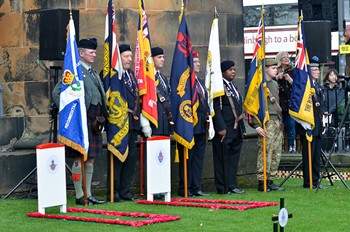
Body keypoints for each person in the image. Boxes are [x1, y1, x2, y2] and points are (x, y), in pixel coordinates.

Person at [52, 38, 107, 205]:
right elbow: (57, 93)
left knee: (90, 158)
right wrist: (71, 113)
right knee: (78, 157)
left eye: (95, 52)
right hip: (80, 120)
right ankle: (78, 196)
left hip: (95, 120)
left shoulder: (93, 72)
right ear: (81, 54)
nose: (94, 55)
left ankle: (88, 194)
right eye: (91, 52)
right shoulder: (74, 72)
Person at [177, 52, 213, 197]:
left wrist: (209, 119)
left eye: (198, 61)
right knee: (188, 158)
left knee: (198, 159)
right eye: (195, 61)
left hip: (201, 125)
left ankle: (196, 187)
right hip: (189, 125)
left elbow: (205, 102)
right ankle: (185, 187)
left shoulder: (200, 82)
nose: (198, 64)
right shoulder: (185, 83)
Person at [108, 44, 141, 201]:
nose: (129, 59)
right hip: (118, 122)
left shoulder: (131, 75)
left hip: (132, 122)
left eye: (130, 56)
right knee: (118, 156)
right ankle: (114, 191)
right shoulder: (113, 76)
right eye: (125, 56)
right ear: (118, 58)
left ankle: (125, 191)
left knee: (130, 158)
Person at [140, 46, 173, 199]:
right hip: (153, 122)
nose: (162, 60)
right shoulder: (148, 77)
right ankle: (152, 187)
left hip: (164, 122)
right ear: (152, 59)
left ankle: (161, 187)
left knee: (162, 157)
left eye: (163, 57)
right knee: (153, 158)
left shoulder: (163, 78)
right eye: (159, 57)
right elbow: (144, 101)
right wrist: (145, 123)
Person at [212, 60, 246, 194]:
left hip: (236, 129)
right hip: (225, 129)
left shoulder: (233, 86)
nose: (233, 71)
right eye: (230, 69)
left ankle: (232, 184)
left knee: (233, 159)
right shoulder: (219, 87)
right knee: (222, 158)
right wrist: (220, 127)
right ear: (223, 72)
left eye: (234, 69)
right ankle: (223, 186)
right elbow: (216, 108)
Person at [252, 59, 284, 192]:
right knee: (265, 151)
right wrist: (256, 125)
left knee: (276, 151)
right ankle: (262, 180)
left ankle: (270, 178)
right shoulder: (260, 84)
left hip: (277, 120)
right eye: (272, 68)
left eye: (276, 68)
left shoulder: (275, 84)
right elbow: (253, 105)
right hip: (267, 121)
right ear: (265, 69)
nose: (276, 70)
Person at [296, 56, 327, 189]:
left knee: (316, 156)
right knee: (308, 155)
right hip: (308, 125)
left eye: (318, 70)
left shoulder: (317, 87)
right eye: (314, 70)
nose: (317, 72)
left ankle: (315, 180)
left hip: (317, 126)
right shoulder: (305, 88)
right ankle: (308, 181)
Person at [276, 51, 296, 153]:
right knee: (281, 125)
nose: (287, 59)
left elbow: (297, 86)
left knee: (291, 124)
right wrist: (277, 78)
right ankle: (282, 146)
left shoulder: (292, 70)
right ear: (280, 60)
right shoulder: (276, 70)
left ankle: (292, 146)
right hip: (280, 102)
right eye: (284, 57)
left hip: (290, 101)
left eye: (288, 57)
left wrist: (290, 79)